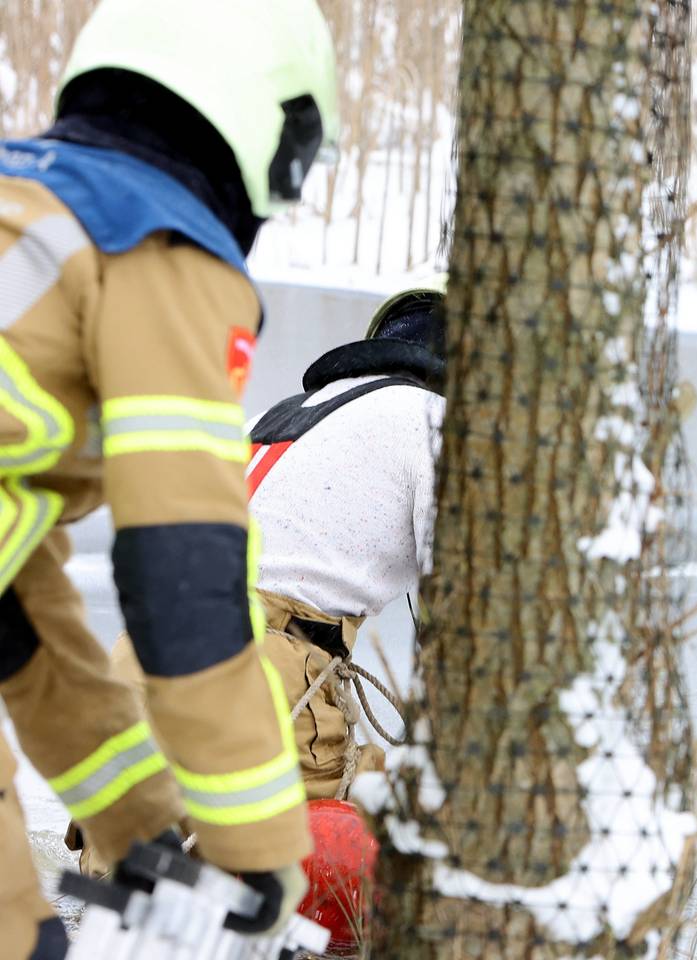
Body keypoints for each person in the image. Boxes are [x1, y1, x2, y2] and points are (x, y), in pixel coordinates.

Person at [0, 1, 339, 956]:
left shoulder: (26, 209)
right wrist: (260, 850)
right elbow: (182, 582)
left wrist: (143, 838)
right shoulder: (156, 248)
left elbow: (26, 632)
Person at [74, 284, 447, 901]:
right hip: (263, 674)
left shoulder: (278, 414)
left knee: (138, 896)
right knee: (408, 845)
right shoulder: (433, 423)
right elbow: (464, 618)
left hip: (134, 666)